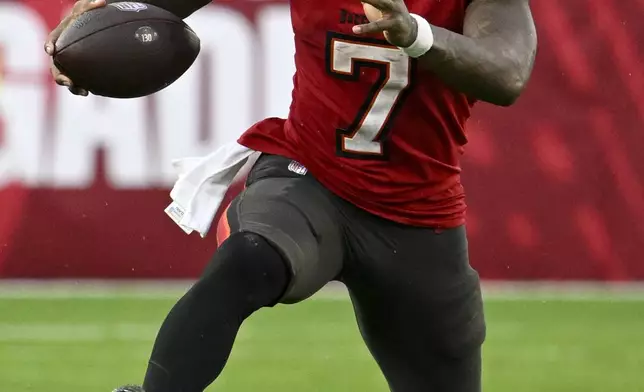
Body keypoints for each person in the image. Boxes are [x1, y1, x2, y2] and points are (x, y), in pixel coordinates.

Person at [45, 0, 537, 391]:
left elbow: (506, 71)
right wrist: (107, 15)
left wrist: (417, 34)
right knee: (247, 260)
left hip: (416, 216)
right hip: (312, 175)